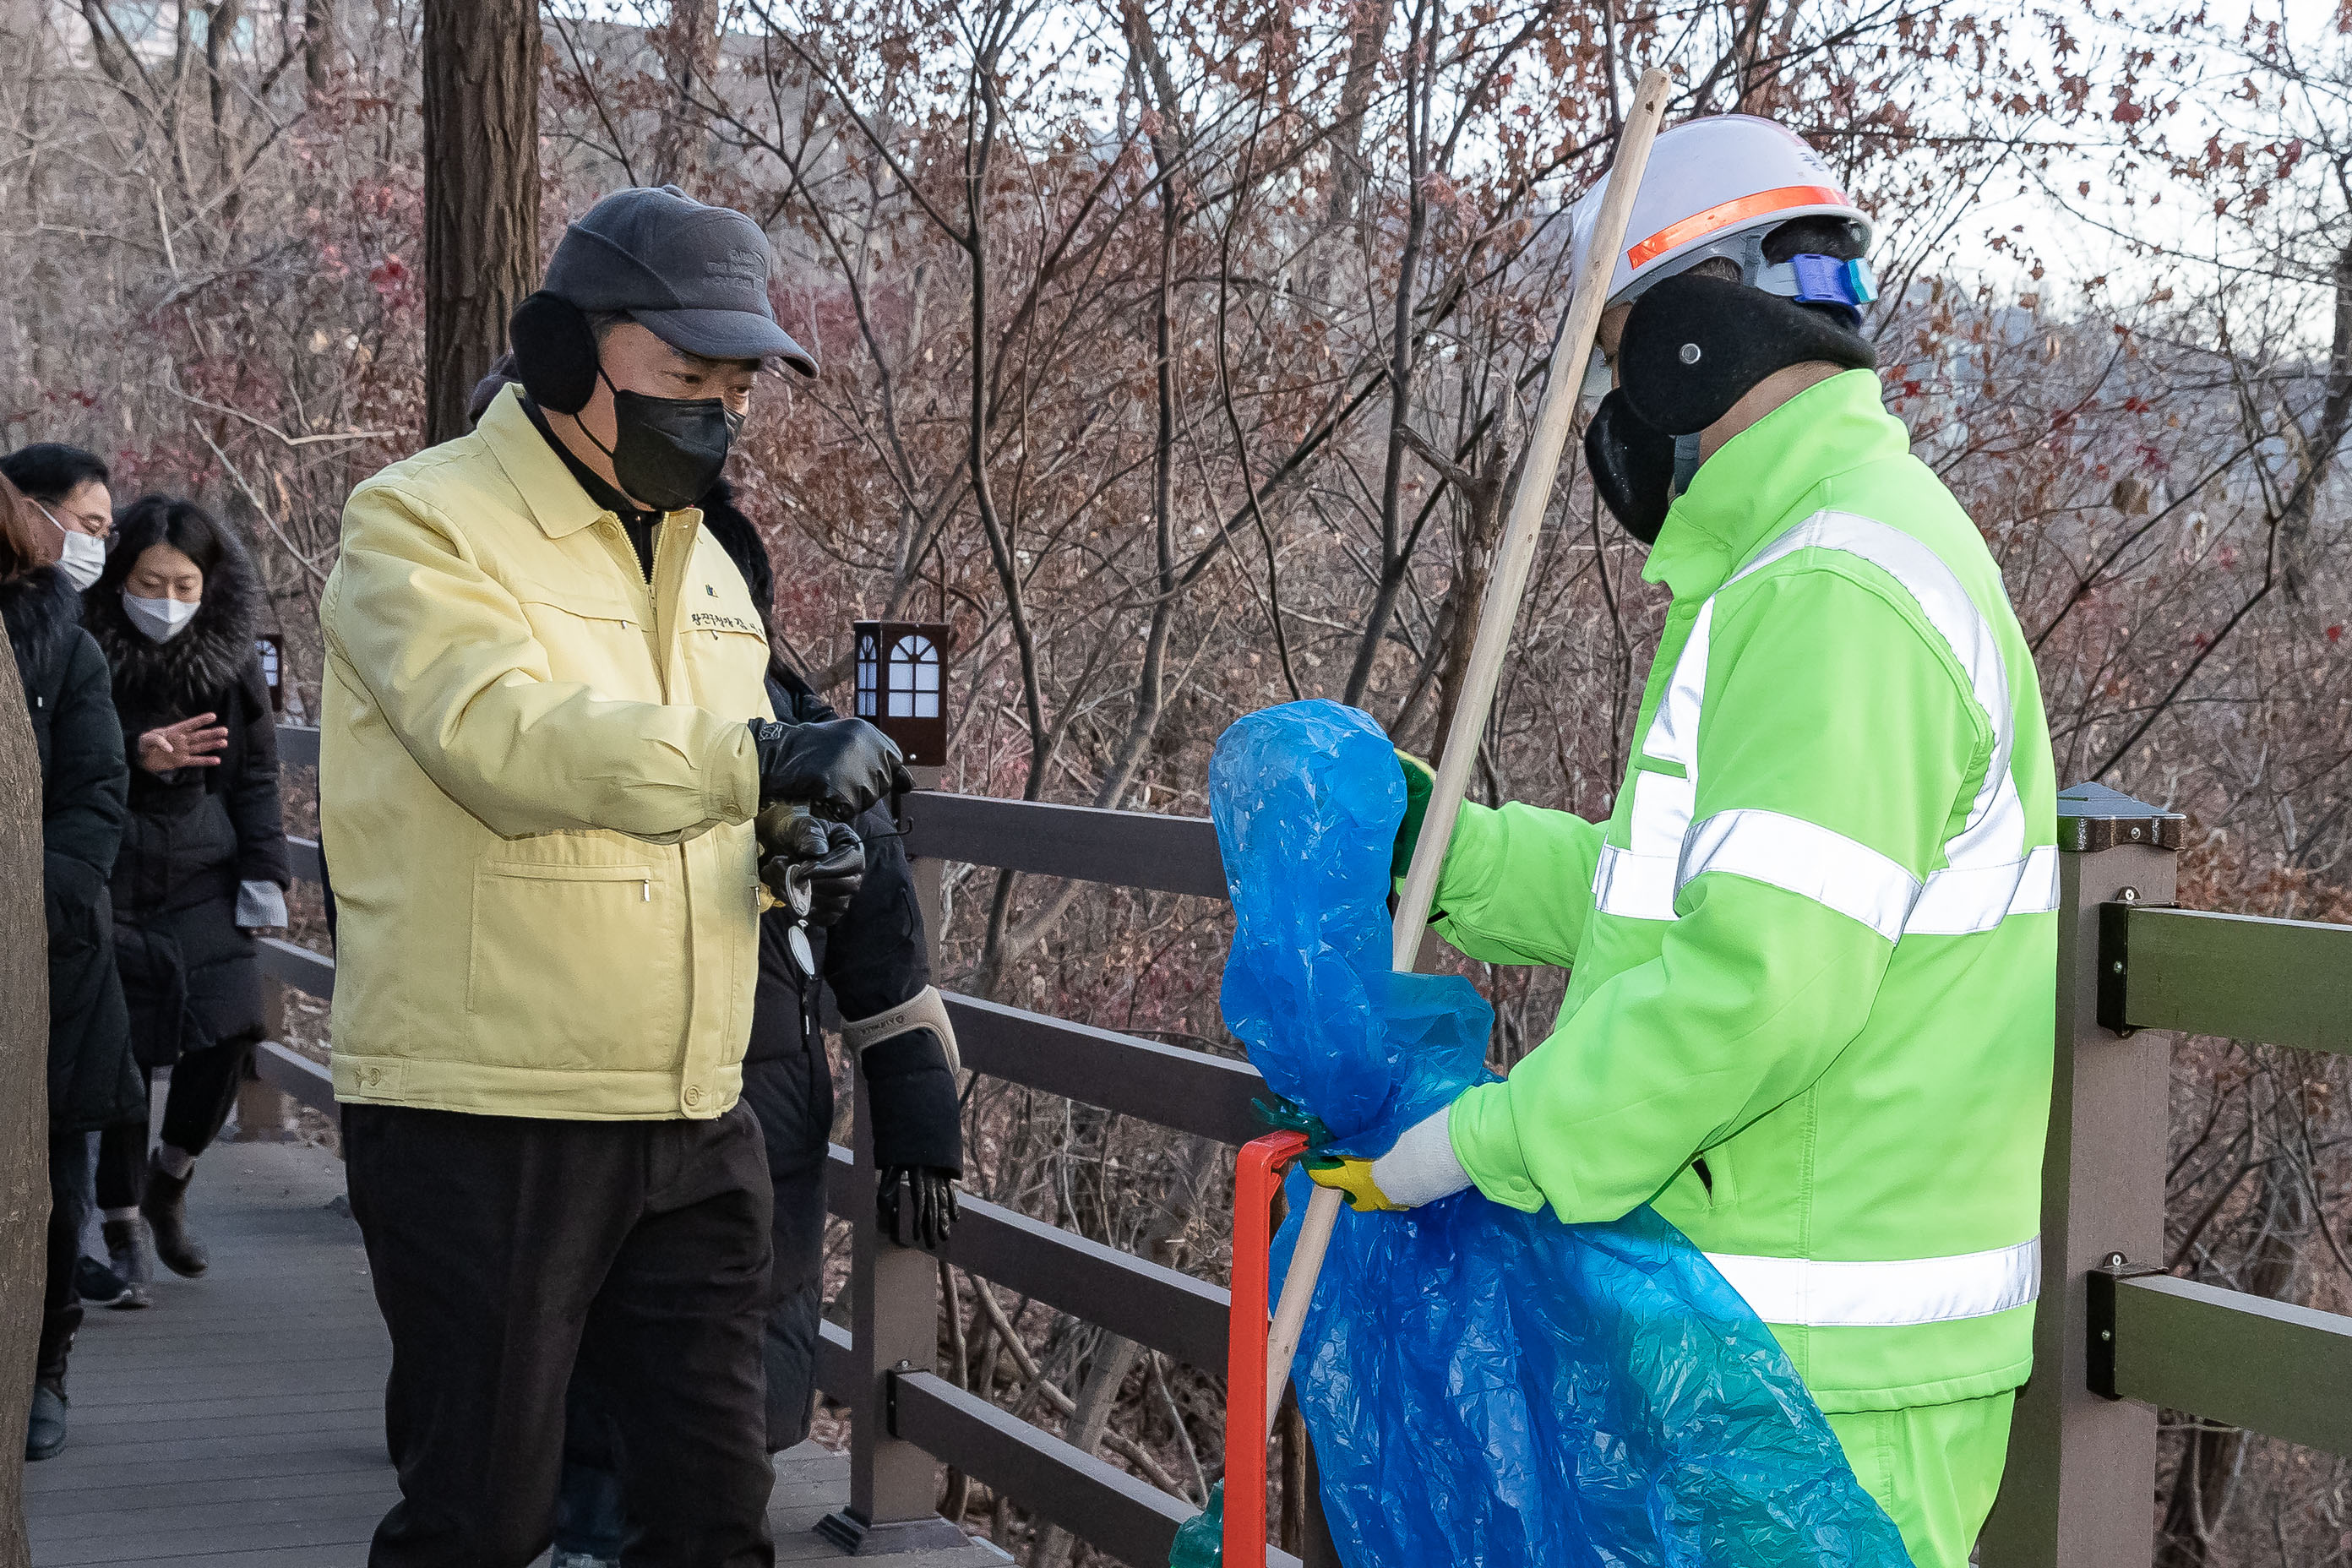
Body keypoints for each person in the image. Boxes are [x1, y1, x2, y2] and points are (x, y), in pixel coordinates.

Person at [1305, 115, 2056, 1568]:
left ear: (1685, 345)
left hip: (1814, 1375)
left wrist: (1478, 1142)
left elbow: (1757, 983)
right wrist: (1442, 851)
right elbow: (1670, 905)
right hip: (1771, 1343)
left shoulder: (1834, 586)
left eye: (1611, 365)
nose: (1605, 416)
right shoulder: (1807, 555)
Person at [319, 184, 912, 1568]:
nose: (715, 413)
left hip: (694, 1100)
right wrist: (753, 764)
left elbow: (702, 784)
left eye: (736, 386)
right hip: (487, 1099)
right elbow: (500, 739)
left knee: (715, 1513)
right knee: (482, 1517)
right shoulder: (419, 524)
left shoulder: (704, 557)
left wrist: (785, 845)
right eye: (683, 375)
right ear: (562, 352)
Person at [546, 480, 965, 1568]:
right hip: (580, 1076)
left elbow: (885, 947)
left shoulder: (804, 724)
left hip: (761, 1091)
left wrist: (919, 1126)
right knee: (586, 1361)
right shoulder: (568, 720)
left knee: (725, 1379)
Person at [78, 496, 290, 1298]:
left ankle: (174, 1175)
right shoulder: (81, 644)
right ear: (120, 574)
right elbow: (53, 755)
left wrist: (265, 873)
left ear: (209, 584)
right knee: (123, 1055)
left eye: (184, 585)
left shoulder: (229, 656)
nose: (166, 601)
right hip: (114, 873)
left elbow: (259, 769)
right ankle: (123, 1226)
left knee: (230, 1031)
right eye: (149, 581)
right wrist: (136, 756)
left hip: (205, 868)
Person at [0, 466, 142, 1461]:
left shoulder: (64, 646)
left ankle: (46, 1359)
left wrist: (26, 906)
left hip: (47, 950)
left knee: (47, 1172)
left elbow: (95, 797)